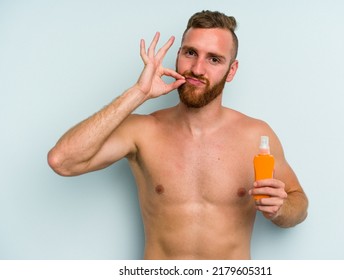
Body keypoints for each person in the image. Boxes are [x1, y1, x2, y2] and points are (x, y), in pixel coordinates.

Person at [48, 10, 308, 259]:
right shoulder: (143, 131)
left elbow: (299, 204)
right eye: (190, 53)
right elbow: (63, 161)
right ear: (178, 54)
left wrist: (280, 209)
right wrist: (138, 93)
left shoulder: (256, 135)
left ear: (232, 70)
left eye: (214, 59)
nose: (197, 68)